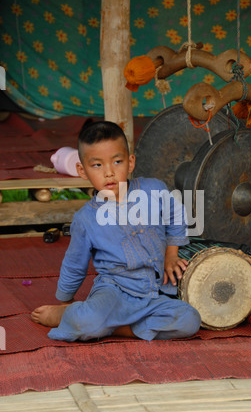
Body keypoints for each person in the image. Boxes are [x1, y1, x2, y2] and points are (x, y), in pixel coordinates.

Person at [31, 120, 201, 342]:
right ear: (82, 170)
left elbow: (175, 216)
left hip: (155, 292)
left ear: (130, 163)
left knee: (190, 320)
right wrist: (65, 301)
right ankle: (67, 316)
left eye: (117, 161)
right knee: (85, 322)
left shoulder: (154, 189)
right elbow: (74, 264)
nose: (109, 173)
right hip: (114, 292)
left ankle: (115, 329)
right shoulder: (86, 219)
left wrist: (171, 253)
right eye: (97, 165)